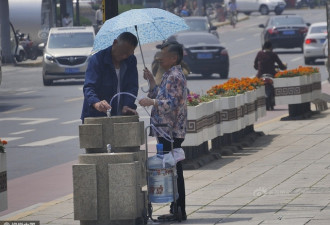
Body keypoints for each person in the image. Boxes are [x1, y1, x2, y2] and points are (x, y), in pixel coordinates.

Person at [139, 41, 188, 220]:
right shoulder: (169, 74)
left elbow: (171, 104)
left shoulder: (175, 75)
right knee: (172, 168)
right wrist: (152, 80)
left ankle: (179, 209)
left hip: (171, 131)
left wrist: (152, 103)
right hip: (165, 131)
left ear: (174, 58)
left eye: (163, 54)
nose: (159, 57)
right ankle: (177, 209)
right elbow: (160, 93)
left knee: (174, 169)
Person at [81, 32, 139, 123]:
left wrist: (127, 105)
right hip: (97, 115)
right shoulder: (97, 60)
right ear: (115, 43)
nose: (124, 56)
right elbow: (89, 87)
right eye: (122, 52)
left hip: (121, 115)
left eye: (128, 54)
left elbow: (132, 86)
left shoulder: (131, 60)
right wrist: (96, 103)